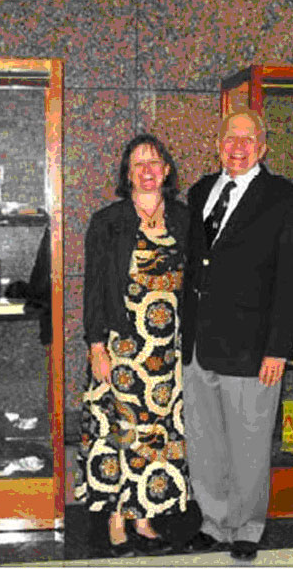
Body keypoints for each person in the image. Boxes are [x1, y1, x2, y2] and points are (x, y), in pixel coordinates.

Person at [181, 109, 293, 561]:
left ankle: (248, 527)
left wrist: (279, 348)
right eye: (230, 138)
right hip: (197, 345)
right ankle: (214, 522)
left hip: (254, 348)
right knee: (205, 441)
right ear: (217, 142)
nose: (238, 147)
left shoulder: (284, 199)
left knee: (250, 443)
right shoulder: (200, 191)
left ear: (263, 146)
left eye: (248, 139)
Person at [76, 134, 191, 557]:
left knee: (156, 435)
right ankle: (115, 517)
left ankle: (144, 515)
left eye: (155, 162)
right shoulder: (108, 221)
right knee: (120, 432)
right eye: (138, 163)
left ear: (166, 171)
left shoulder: (183, 219)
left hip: (167, 351)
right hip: (122, 346)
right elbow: (93, 289)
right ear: (127, 173)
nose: (147, 170)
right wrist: (95, 345)